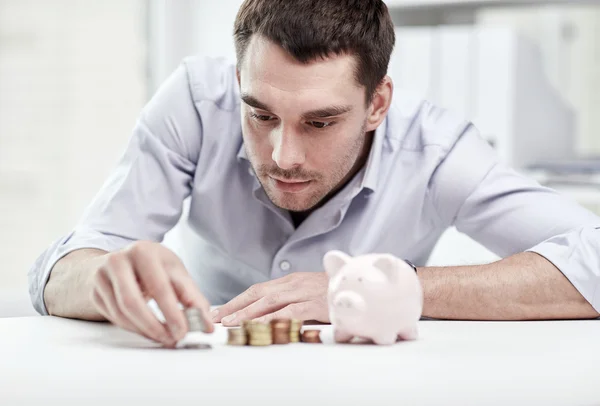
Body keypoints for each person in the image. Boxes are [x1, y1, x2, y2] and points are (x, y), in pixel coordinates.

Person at [29, 0, 600, 348]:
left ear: (378, 103)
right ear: (238, 81)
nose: (283, 155)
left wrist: (402, 288)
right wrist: (99, 279)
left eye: (321, 121)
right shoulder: (195, 104)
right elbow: (62, 268)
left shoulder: (437, 151)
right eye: (261, 114)